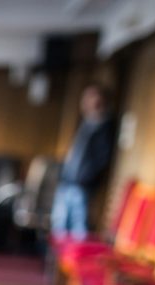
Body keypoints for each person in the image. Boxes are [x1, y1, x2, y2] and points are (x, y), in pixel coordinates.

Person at [51, 83, 116, 242]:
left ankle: (71, 262)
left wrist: (86, 177)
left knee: (78, 229)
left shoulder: (105, 125)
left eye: (92, 97)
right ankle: (58, 265)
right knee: (59, 228)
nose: (87, 101)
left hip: (83, 185)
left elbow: (102, 158)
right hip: (67, 181)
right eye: (86, 97)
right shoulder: (85, 122)